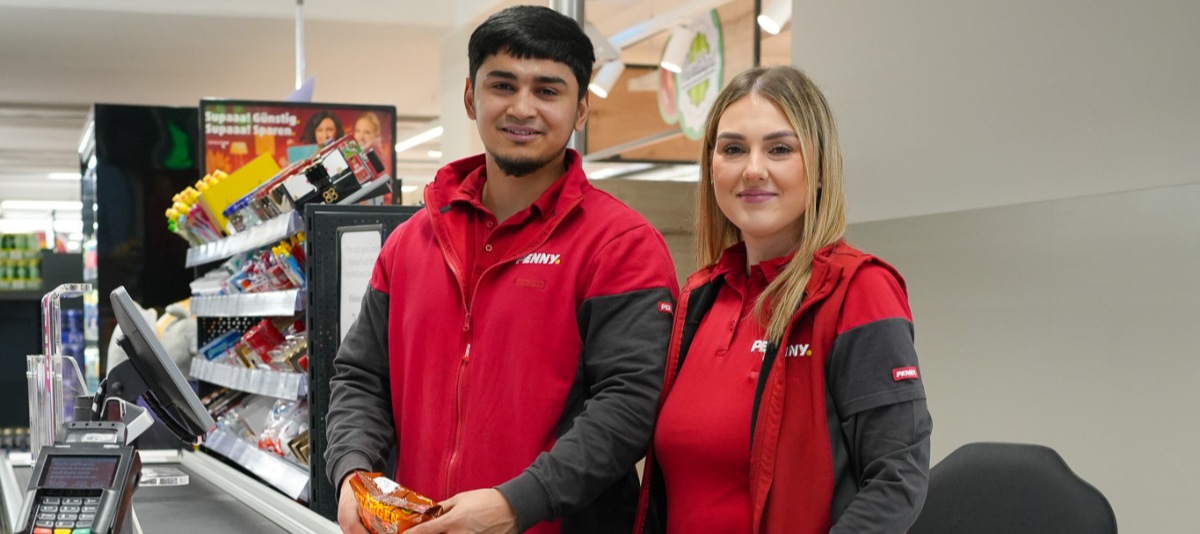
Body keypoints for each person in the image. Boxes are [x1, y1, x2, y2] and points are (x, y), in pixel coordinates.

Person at [324, 6, 679, 534]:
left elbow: (629, 405)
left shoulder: (621, 246)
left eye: (548, 90)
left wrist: (516, 504)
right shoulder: (410, 244)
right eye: (503, 85)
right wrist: (353, 471)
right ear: (471, 97)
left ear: (581, 108)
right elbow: (361, 377)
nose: (522, 108)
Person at [633, 66, 933, 534]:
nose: (753, 169)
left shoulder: (859, 290)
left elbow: (897, 479)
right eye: (733, 149)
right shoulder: (699, 298)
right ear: (711, 168)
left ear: (819, 169)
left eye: (779, 149)